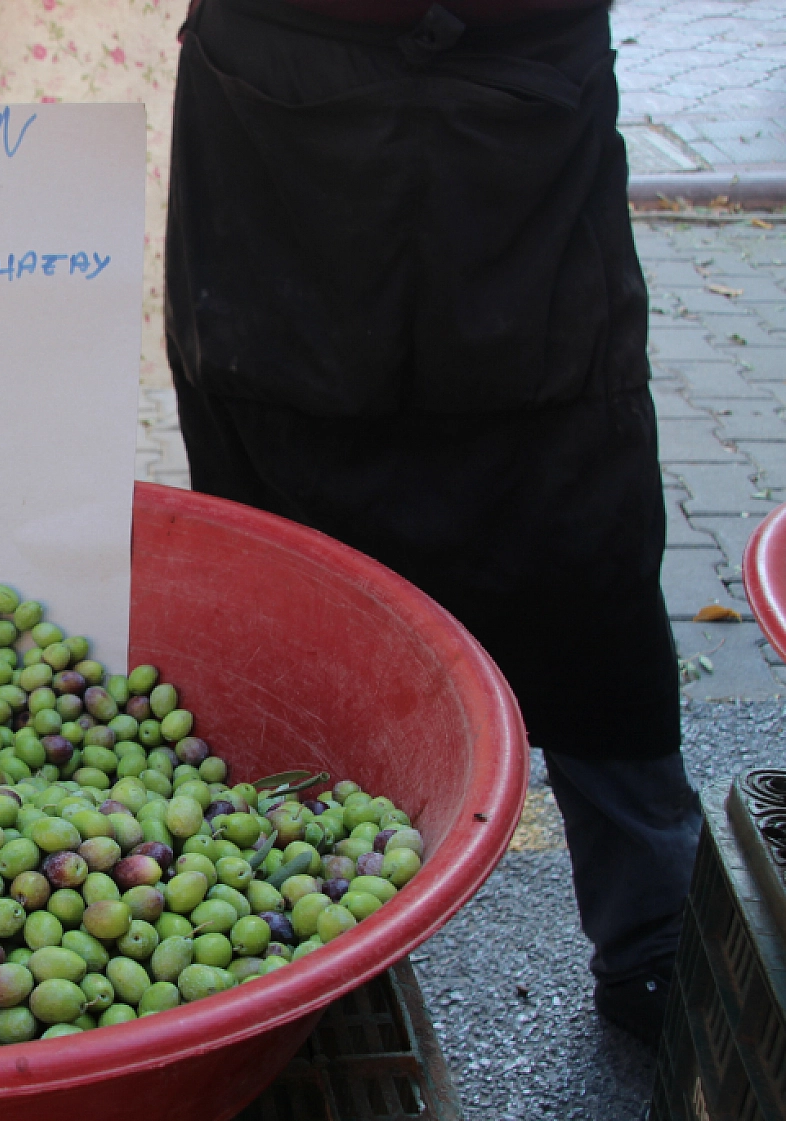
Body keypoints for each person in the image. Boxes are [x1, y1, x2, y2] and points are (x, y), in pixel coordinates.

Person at [164, 0, 702, 1044]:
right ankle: (277, 941)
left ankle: (657, 946)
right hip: (295, 136)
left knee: (581, 579)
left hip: (506, 130)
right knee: (301, 610)